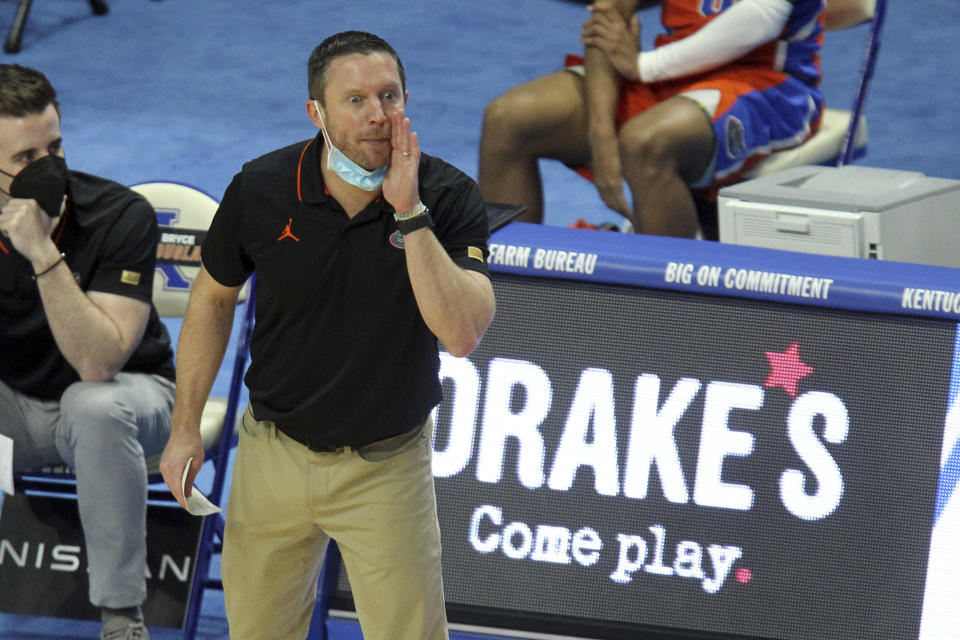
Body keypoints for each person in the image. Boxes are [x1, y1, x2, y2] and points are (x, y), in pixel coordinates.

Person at [159, 30, 496, 640]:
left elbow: (462, 334)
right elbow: (212, 296)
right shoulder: (261, 189)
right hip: (273, 455)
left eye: (389, 96)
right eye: (356, 100)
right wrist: (186, 427)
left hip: (386, 467)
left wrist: (410, 213)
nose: (377, 116)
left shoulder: (446, 196)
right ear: (316, 112)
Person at [0, 64, 175, 640]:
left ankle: (121, 617)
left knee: (92, 406)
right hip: (18, 408)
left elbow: (99, 364)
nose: (48, 168)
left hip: (133, 400)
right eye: (26, 159)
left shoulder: (120, 215)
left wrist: (43, 256)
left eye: (55, 146)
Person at [478, 0, 826, 238]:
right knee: (509, 118)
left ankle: (661, 320)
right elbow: (610, 13)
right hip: (671, 75)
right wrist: (601, 136)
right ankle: (494, 302)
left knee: (647, 142)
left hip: (766, 86)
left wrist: (646, 65)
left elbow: (760, 18)